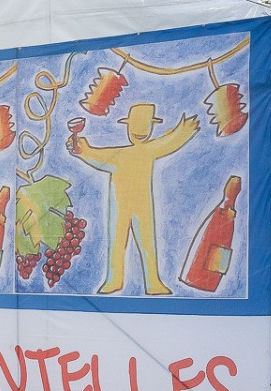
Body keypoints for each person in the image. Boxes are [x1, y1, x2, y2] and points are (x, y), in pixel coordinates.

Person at [67, 101, 199, 294]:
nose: (140, 131)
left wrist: (183, 131)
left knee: (145, 243)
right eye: (136, 125)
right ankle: (116, 280)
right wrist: (82, 150)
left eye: (143, 125)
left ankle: (151, 282)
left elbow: (168, 143)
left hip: (142, 206)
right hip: (120, 206)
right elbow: (98, 156)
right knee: (118, 243)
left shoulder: (146, 150)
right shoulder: (124, 154)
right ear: (129, 126)